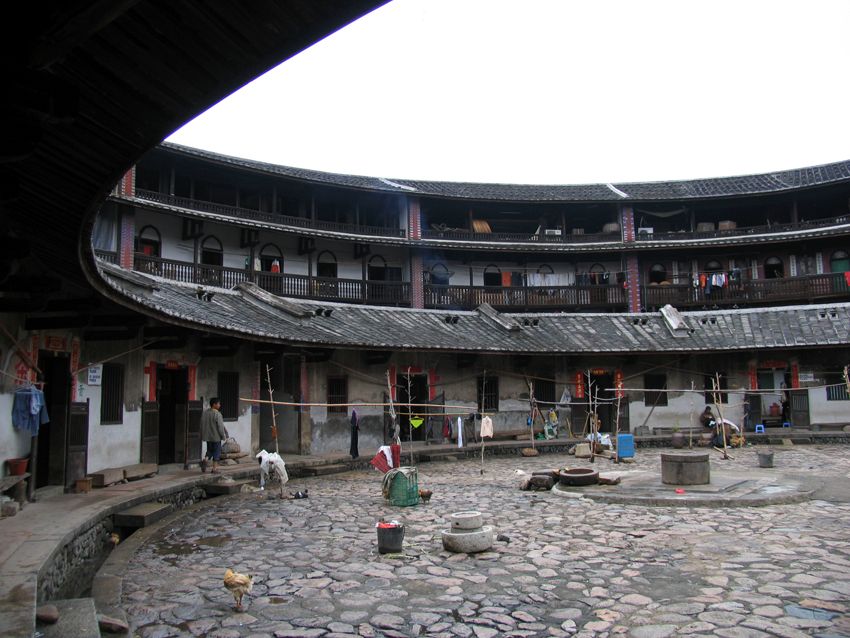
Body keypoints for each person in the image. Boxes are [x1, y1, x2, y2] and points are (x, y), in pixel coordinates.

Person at [200, 397, 228, 473]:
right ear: (214, 404)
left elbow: (201, 424)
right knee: (216, 452)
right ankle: (214, 469)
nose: (219, 405)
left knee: (209, 450)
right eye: (218, 404)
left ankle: (205, 460)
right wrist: (223, 436)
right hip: (216, 437)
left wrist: (203, 434)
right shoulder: (217, 414)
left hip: (208, 437)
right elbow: (220, 427)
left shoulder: (205, 413)